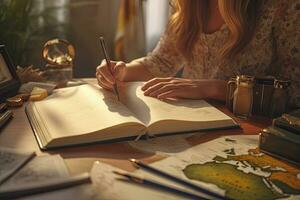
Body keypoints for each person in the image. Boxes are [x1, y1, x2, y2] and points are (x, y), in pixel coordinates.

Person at [96, 0, 299, 107]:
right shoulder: (188, 4)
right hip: (193, 125)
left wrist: (215, 89)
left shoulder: (280, 6)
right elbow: (161, 62)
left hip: (249, 133)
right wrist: (122, 71)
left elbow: (294, 91)